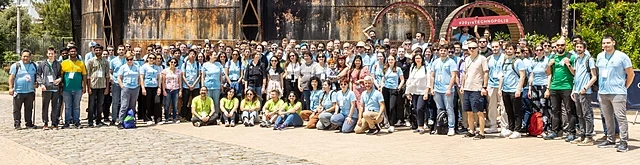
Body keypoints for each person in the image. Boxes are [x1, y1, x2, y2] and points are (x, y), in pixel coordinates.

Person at [595, 35, 634, 153]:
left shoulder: (622, 57)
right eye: (603, 43)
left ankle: (623, 142)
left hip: (618, 93)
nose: (605, 45)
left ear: (613, 43)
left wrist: (624, 87)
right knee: (607, 118)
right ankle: (610, 139)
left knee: (620, 118)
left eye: (608, 43)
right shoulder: (599, 56)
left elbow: (631, 74)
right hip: (603, 92)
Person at [543, 39, 577, 141]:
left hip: (567, 86)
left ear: (565, 46)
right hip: (554, 87)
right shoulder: (552, 57)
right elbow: (548, 73)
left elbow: (575, 73)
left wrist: (568, 64)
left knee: (569, 110)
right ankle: (555, 131)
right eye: (558, 45)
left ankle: (571, 132)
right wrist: (549, 65)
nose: (560, 47)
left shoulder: (571, 56)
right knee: (554, 110)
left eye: (562, 45)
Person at [570, 41, 598, 145]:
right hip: (577, 91)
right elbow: (576, 75)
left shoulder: (589, 59)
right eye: (577, 47)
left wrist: (586, 87)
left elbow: (594, 76)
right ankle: (582, 135)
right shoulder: (576, 59)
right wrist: (573, 89)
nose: (578, 49)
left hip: (585, 91)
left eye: (580, 47)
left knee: (587, 114)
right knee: (579, 114)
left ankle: (589, 136)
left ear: (584, 48)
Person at [460, 42, 489, 139]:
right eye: (470, 48)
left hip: (477, 89)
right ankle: (471, 130)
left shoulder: (482, 59)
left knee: (479, 111)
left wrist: (484, 87)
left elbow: (485, 73)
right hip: (467, 88)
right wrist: (462, 86)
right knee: (468, 111)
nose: (471, 49)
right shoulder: (467, 59)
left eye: (473, 48)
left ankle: (481, 132)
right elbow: (464, 73)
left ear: (477, 48)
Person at [498, 44, 527, 139]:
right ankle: (511, 128)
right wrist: (500, 88)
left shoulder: (518, 61)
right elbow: (502, 76)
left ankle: (517, 130)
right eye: (507, 49)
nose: (509, 51)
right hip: (506, 89)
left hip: (515, 90)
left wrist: (519, 89)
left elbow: (522, 76)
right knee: (508, 111)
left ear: (515, 51)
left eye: (511, 49)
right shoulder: (505, 61)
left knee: (516, 111)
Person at [430, 45, 458, 136]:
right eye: (441, 50)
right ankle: (440, 126)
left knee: (449, 109)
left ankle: (451, 127)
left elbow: (453, 76)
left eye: (444, 51)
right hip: (437, 89)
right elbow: (432, 75)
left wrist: (449, 88)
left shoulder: (451, 62)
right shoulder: (435, 62)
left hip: (447, 89)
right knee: (439, 109)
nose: (442, 52)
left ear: (447, 51)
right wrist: (432, 88)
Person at [9, 50, 38, 130]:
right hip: (18, 91)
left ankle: (29, 123)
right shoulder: (16, 65)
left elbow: (37, 77)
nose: (25, 58)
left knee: (29, 108)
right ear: (21, 56)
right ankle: (17, 124)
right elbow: (11, 77)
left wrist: (37, 83)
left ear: (30, 57)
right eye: (24, 56)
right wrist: (10, 88)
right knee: (17, 109)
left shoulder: (34, 65)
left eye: (27, 56)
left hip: (30, 91)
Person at [35, 48, 62, 130]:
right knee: (45, 106)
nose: (50, 55)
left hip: (55, 88)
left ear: (55, 54)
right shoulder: (43, 64)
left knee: (55, 106)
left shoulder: (58, 64)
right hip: (46, 88)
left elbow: (60, 75)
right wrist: (41, 84)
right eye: (49, 54)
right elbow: (38, 75)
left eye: (52, 53)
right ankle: (45, 123)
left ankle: (54, 123)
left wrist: (59, 79)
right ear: (47, 54)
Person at [528, 45, 551, 137]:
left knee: (544, 106)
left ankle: (546, 128)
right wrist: (530, 88)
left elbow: (549, 75)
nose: (539, 51)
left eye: (540, 50)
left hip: (543, 85)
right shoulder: (533, 61)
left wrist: (548, 89)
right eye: (537, 50)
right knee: (536, 108)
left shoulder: (547, 60)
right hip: (535, 86)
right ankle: (537, 128)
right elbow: (531, 75)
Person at [60, 47, 87, 129]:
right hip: (66, 88)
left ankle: (77, 122)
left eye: (74, 51)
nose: (73, 53)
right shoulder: (64, 63)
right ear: (68, 53)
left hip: (78, 88)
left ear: (76, 53)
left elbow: (84, 75)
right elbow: (61, 75)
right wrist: (61, 86)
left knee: (76, 106)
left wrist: (84, 86)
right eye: (71, 51)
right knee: (67, 106)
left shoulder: (81, 63)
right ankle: (67, 122)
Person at [405, 53, 430, 134]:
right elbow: (409, 80)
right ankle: (419, 126)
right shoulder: (413, 67)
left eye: (419, 58)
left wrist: (427, 92)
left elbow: (428, 80)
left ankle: (422, 126)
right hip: (414, 91)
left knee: (420, 108)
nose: (417, 60)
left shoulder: (426, 68)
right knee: (415, 109)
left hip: (423, 91)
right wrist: (407, 92)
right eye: (416, 58)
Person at [86, 45, 110, 127]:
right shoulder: (90, 61)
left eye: (99, 50)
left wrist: (107, 87)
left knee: (100, 104)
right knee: (91, 104)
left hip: (102, 86)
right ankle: (90, 121)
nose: (98, 52)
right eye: (96, 50)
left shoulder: (106, 62)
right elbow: (88, 75)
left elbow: (107, 76)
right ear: (94, 51)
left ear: (102, 51)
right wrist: (88, 87)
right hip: (93, 85)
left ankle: (99, 120)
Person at [379, 55, 405, 133]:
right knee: (386, 107)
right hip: (386, 89)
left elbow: (402, 79)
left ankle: (392, 124)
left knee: (392, 107)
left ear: (394, 60)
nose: (390, 61)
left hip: (394, 89)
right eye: (389, 59)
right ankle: (390, 123)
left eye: (392, 59)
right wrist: (381, 87)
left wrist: (399, 87)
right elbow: (383, 79)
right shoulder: (385, 69)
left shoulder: (398, 69)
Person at [116, 52, 142, 129]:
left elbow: (139, 76)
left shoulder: (137, 67)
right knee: (124, 105)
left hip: (135, 87)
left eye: (131, 59)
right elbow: (119, 78)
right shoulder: (123, 67)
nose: (130, 61)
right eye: (128, 59)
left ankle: (131, 121)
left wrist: (138, 85)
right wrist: (122, 86)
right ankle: (120, 121)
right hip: (126, 87)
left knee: (132, 105)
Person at [486, 41, 504, 133]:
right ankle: (493, 125)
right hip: (491, 85)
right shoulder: (488, 59)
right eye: (493, 47)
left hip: (503, 85)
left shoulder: (504, 58)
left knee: (503, 106)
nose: (495, 48)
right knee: (491, 107)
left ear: (500, 47)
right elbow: (486, 72)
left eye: (496, 46)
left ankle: (505, 126)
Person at [139, 54, 163, 125]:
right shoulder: (144, 67)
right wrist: (143, 87)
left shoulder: (157, 67)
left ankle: (158, 119)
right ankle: (147, 118)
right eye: (150, 58)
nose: (151, 59)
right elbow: (141, 77)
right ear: (147, 59)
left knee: (157, 102)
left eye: (153, 58)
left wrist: (159, 87)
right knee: (147, 103)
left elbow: (159, 78)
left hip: (155, 86)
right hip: (147, 86)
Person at [201, 51, 224, 120]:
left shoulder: (218, 64)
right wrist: (203, 86)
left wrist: (221, 84)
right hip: (208, 86)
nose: (215, 56)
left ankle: (216, 117)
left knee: (216, 102)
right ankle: (208, 116)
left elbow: (220, 76)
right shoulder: (205, 65)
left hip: (216, 86)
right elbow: (203, 76)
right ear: (210, 56)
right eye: (214, 55)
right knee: (208, 102)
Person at [181, 50, 201, 121]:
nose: (192, 55)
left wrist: (194, 85)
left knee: (194, 101)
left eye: (193, 54)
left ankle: (194, 116)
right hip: (186, 86)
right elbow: (183, 75)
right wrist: (189, 85)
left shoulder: (198, 64)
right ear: (188, 55)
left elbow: (199, 75)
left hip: (196, 86)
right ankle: (183, 116)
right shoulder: (185, 64)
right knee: (185, 101)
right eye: (190, 54)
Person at [109, 45, 127, 126]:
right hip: (116, 83)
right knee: (115, 101)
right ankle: (113, 118)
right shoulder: (113, 61)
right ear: (117, 51)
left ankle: (121, 118)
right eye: (120, 49)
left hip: (125, 83)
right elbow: (110, 71)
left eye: (123, 50)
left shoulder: (127, 60)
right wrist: (111, 78)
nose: (121, 51)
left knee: (124, 102)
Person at [162, 58, 182, 124]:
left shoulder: (178, 71)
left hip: (175, 89)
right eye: (171, 62)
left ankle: (174, 118)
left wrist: (180, 90)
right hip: (167, 89)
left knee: (175, 104)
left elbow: (180, 81)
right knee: (167, 104)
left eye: (174, 62)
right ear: (169, 62)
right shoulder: (165, 71)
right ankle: (167, 117)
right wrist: (164, 90)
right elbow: (163, 81)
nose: (173, 63)